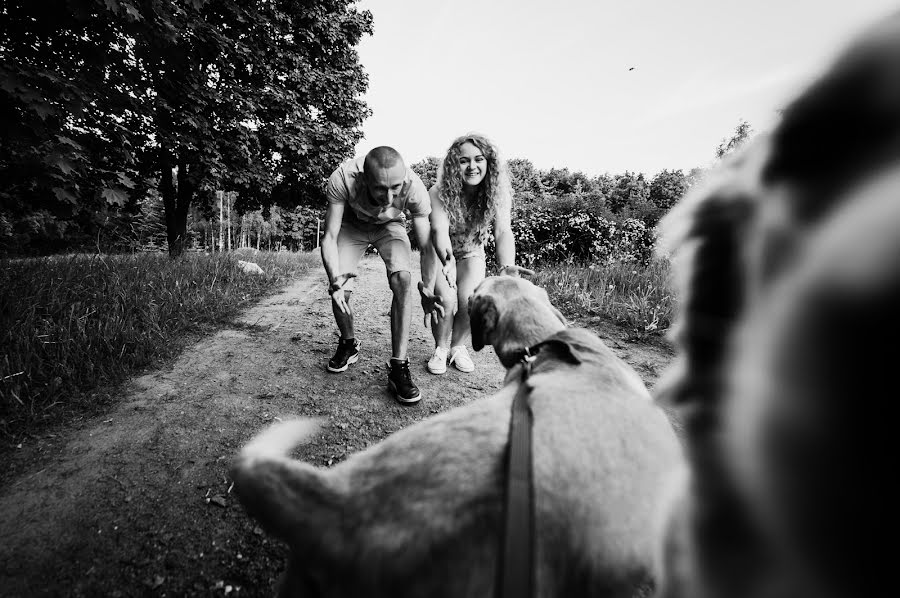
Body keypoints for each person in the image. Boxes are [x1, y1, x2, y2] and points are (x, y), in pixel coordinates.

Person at [321, 146, 442, 405]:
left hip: (390, 227)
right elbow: (330, 236)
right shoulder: (342, 178)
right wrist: (334, 279)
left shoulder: (414, 186)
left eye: (395, 188)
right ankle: (349, 342)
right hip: (351, 226)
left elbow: (427, 245)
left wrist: (428, 286)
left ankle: (399, 366)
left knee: (403, 279)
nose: (389, 197)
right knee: (342, 286)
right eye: (380, 189)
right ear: (364, 179)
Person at [419, 133, 533, 375]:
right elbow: (438, 230)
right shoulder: (438, 191)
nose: (472, 166)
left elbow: (503, 231)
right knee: (446, 300)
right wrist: (447, 260)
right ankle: (440, 348)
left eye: (479, 159)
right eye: (463, 160)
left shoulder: (498, 192)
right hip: (442, 254)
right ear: (453, 165)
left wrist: (507, 266)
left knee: (470, 300)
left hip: (472, 252)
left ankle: (457, 347)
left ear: (488, 162)